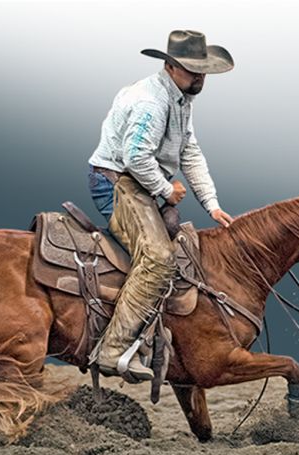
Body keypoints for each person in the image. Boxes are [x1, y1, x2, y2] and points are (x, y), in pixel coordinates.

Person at [87, 30, 234, 382]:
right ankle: (111, 351)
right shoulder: (152, 103)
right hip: (117, 182)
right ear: (170, 66)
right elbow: (134, 157)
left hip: (137, 181)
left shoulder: (181, 99)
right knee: (159, 257)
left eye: (203, 70)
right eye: (192, 69)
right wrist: (167, 191)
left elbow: (189, 151)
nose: (200, 77)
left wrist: (211, 204)